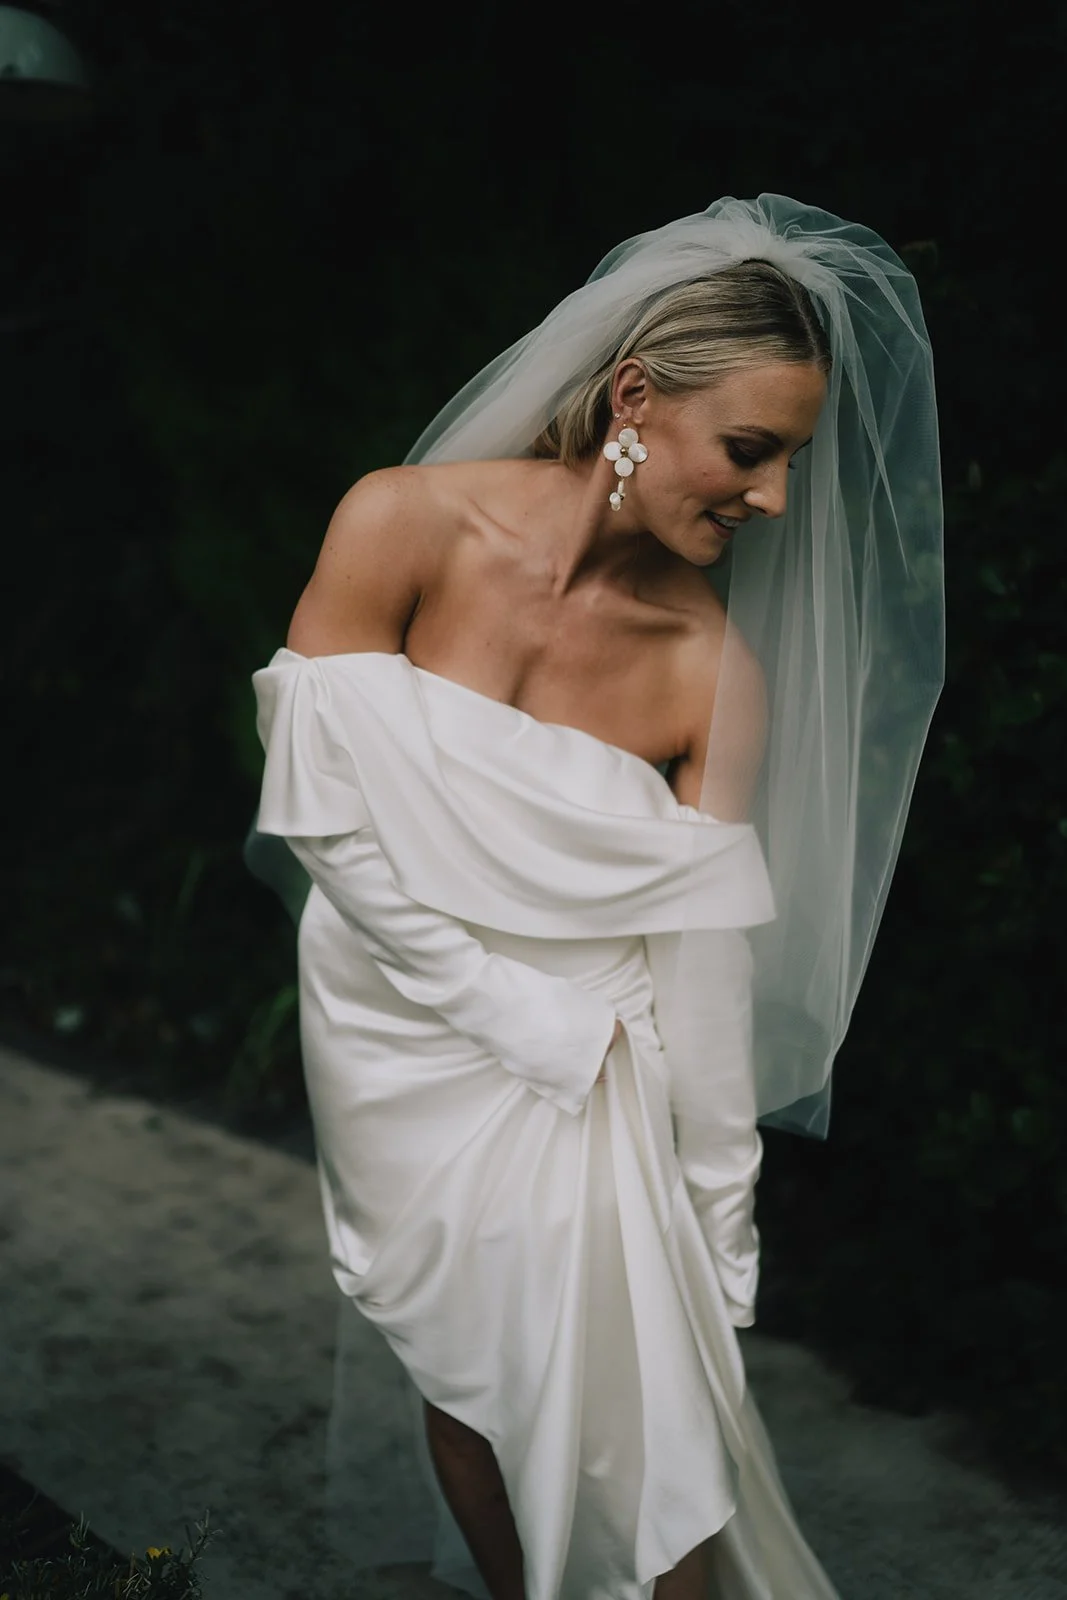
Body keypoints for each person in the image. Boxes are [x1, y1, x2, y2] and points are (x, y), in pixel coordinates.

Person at [248, 195, 944, 1599]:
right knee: (458, 1362)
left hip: (597, 1059)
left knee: (649, 1431)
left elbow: (699, 966)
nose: (774, 499)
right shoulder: (400, 524)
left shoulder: (711, 676)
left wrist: (717, 1210)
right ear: (636, 394)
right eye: (750, 451)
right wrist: (492, 1004)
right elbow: (321, 808)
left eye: (793, 461)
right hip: (395, 1024)